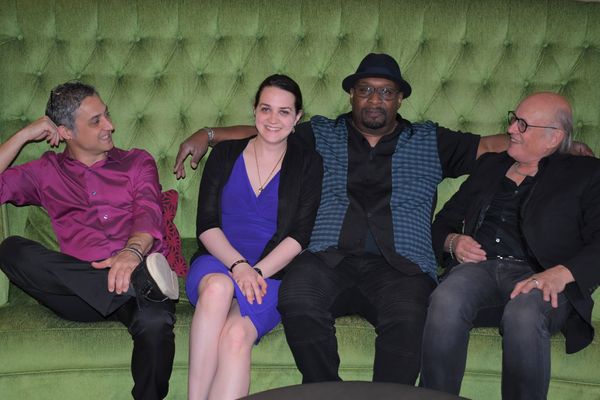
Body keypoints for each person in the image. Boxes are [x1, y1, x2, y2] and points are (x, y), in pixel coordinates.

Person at [172, 54, 589, 385]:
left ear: (399, 99)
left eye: (386, 92)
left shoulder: (430, 140)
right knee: (296, 297)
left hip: (400, 268)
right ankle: (327, 392)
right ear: (352, 96)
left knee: (412, 317)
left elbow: (492, 144)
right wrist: (208, 135)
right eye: (366, 90)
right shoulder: (321, 133)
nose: (375, 99)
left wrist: (562, 145)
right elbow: (268, 130)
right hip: (326, 259)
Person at [0, 81, 179, 400]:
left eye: (106, 115)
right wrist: (24, 135)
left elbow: (148, 213)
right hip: (82, 290)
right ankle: (140, 285)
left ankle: (139, 284)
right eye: (96, 121)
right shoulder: (45, 171)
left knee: (155, 324)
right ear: (65, 132)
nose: (110, 125)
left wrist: (132, 252)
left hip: (136, 266)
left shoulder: (137, 161)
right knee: (11, 250)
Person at [420, 92, 600, 399]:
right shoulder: (490, 166)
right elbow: (441, 224)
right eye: (514, 119)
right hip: (479, 270)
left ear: (554, 137)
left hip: (541, 275)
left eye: (523, 125)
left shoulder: (586, 173)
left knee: (524, 312)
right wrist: (453, 241)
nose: (511, 129)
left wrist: (562, 274)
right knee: (447, 296)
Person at [185, 74, 322, 400]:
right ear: (255, 111)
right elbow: (206, 224)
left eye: (284, 112)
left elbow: (300, 235)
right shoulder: (224, 155)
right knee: (218, 289)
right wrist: (239, 266)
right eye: (265, 109)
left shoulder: (309, 163)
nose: (273, 119)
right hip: (218, 259)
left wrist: (256, 271)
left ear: (297, 118)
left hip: (271, 273)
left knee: (235, 337)